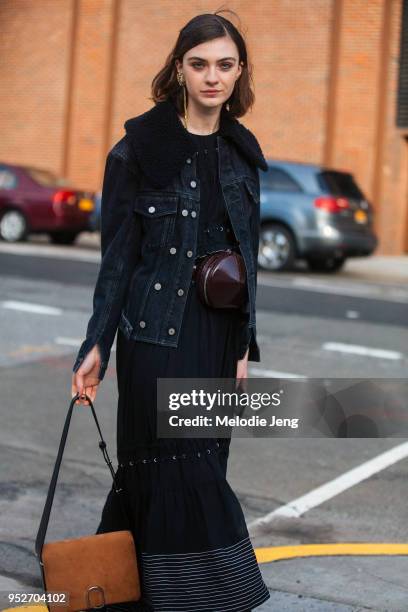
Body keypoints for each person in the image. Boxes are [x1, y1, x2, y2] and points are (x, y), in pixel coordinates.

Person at [71, 10, 270, 612]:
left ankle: (128, 593)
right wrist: (95, 345)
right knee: (179, 468)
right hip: (156, 335)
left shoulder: (241, 153)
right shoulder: (138, 151)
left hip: (216, 336)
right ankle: (210, 598)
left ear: (239, 73)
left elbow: (249, 261)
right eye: (200, 64)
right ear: (179, 70)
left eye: (225, 65)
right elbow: (117, 262)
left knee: (200, 460)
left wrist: (242, 350)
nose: (213, 77)